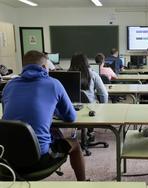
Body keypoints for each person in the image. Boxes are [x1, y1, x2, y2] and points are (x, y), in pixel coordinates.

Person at [2, 50, 86, 181]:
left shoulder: (9, 85)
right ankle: (83, 183)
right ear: (43, 67)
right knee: (74, 143)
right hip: (38, 160)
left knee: (52, 131)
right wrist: (54, 110)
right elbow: (71, 117)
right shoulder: (53, 84)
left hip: (8, 159)